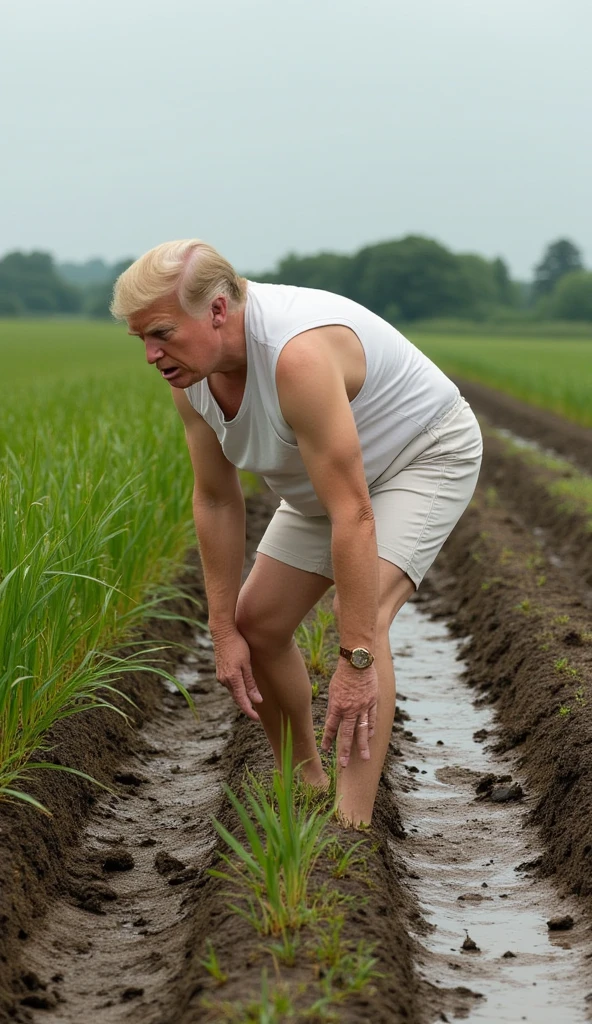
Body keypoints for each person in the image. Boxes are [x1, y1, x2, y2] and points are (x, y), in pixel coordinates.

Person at [111, 240, 482, 827]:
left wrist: (354, 663)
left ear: (216, 311)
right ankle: (303, 779)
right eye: (142, 340)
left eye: (162, 333)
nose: (152, 355)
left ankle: (352, 822)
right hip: (323, 482)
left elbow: (355, 513)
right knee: (257, 623)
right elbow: (215, 498)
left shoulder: (296, 355)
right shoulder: (190, 379)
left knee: (364, 616)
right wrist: (221, 625)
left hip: (420, 456)